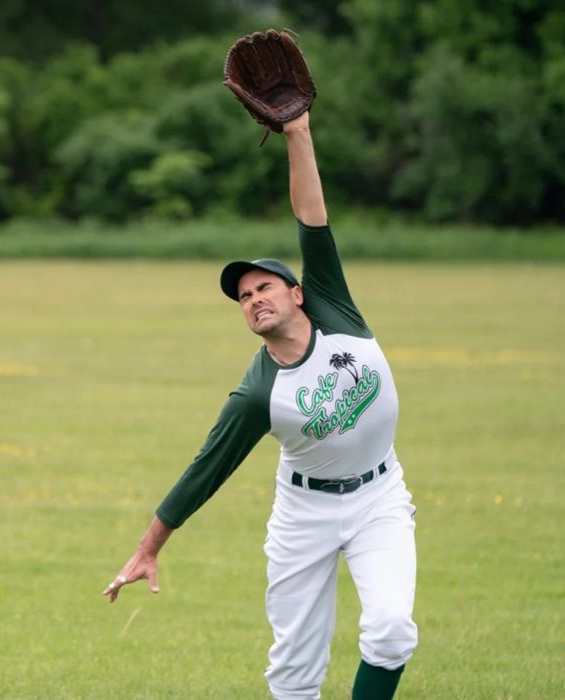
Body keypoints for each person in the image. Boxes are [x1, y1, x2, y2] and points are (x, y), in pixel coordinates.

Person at [103, 111, 418, 700]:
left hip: (380, 497)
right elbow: (206, 469)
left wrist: (297, 133)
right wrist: (148, 548)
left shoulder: (335, 309)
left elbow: (311, 219)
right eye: (243, 297)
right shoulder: (258, 393)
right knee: (295, 673)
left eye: (264, 287)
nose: (252, 299)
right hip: (305, 515)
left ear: (297, 293)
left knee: (392, 631)